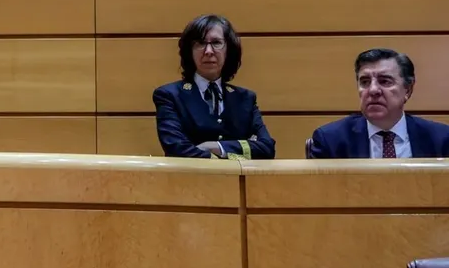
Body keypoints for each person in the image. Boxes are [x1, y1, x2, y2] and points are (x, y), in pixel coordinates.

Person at [152, 14, 275, 160]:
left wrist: (217, 147)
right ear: (189, 51)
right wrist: (235, 154)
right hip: (190, 181)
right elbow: (177, 149)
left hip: (238, 182)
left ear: (229, 50)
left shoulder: (245, 99)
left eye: (216, 43)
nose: (208, 51)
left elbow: (267, 148)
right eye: (200, 43)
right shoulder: (170, 96)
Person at [309, 48, 449, 158]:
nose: (373, 90)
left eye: (385, 81)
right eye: (365, 82)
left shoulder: (441, 139)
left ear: (407, 89)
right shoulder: (330, 140)